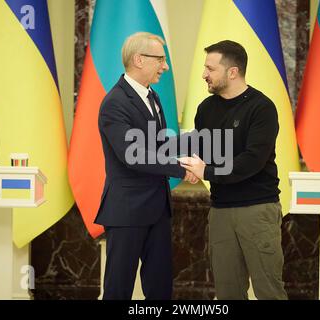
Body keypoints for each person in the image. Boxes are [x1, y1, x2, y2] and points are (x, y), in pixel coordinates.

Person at [179, 40, 288, 300]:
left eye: (210, 68)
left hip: (257, 211)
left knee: (269, 290)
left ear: (232, 72)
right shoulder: (206, 108)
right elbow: (203, 151)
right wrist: (192, 165)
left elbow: (252, 160)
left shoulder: (261, 108)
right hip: (220, 212)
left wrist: (206, 171)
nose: (204, 74)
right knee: (227, 293)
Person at [94, 32, 197, 300]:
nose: (165, 66)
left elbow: (158, 147)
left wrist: (198, 142)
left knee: (160, 287)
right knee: (119, 288)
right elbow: (133, 154)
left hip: (157, 210)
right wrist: (180, 168)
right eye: (160, 59)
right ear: (139, 60)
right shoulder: (114, 103)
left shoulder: (153, 97)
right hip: (127, 211)